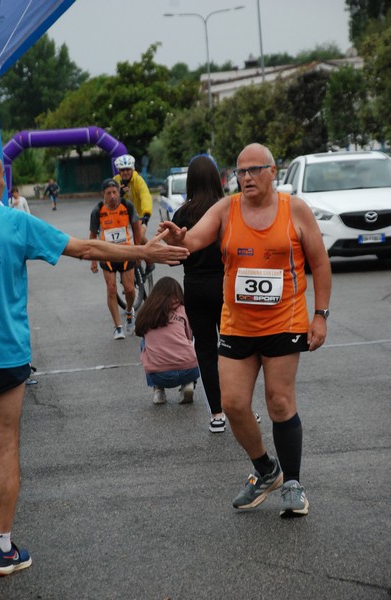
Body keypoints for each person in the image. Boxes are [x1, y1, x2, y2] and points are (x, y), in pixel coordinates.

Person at [0, 150, 188, 577]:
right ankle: (2, 547)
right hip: (4, 354)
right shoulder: (15, 222)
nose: (6, 187)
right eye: (2, 181)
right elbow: (87, 248)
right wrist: (145, 253)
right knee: (5, 447)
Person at [159, 142, 332, 518]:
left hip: (283, 320)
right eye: (240, 172)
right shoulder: (226, 208)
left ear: (273, 171)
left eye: (255, 170)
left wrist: (320, 314)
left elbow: (319, 262)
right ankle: (266, 469)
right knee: (233, 405)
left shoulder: (294, 210)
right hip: (237, 324)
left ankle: (293, 484)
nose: (247, 177)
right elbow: (192, 240)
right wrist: (176, 239)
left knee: (279, 401)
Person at [172, 154, 226, 433]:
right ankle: (240, 408)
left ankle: (217, 414)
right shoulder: (227, 209)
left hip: (194, 286)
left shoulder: (182, 214)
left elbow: (177, 256)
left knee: (205, 351)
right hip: (226, 286)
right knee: (233, 351)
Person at [89, 178, 142, 339]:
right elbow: (92, 236)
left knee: (130, 290)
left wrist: (139, 251)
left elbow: (137, 228)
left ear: (118, 192)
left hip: (126, 252)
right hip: (106, 254)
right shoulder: (97, 211)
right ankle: (118, 326)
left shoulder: (127, 206)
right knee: (111, 289)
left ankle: (128, 311)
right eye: (108, 193)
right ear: (103, 195)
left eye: (114, 192)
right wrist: (93, 260)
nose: (112, 196)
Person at [135, 277, 199, 405]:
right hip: (189, 370)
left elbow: (140, 332)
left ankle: (158, 390)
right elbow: (189, 336)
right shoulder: (183, 310)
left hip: (159, 375)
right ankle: (188, 384)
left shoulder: (147, 313)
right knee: (188, 340)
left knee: (145, 344)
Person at [113, 154, 154, 274]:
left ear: (132, 169)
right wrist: (119, 193)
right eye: (122, 170)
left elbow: (145, 196)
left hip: (140, 216)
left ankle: (149, 260)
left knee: (139, 236)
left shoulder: (138, 180)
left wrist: (146, 215)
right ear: (119, 171)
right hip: (122, 218)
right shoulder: (115, 181)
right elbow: (109, 200)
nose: (125, 172)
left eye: (128, 169)